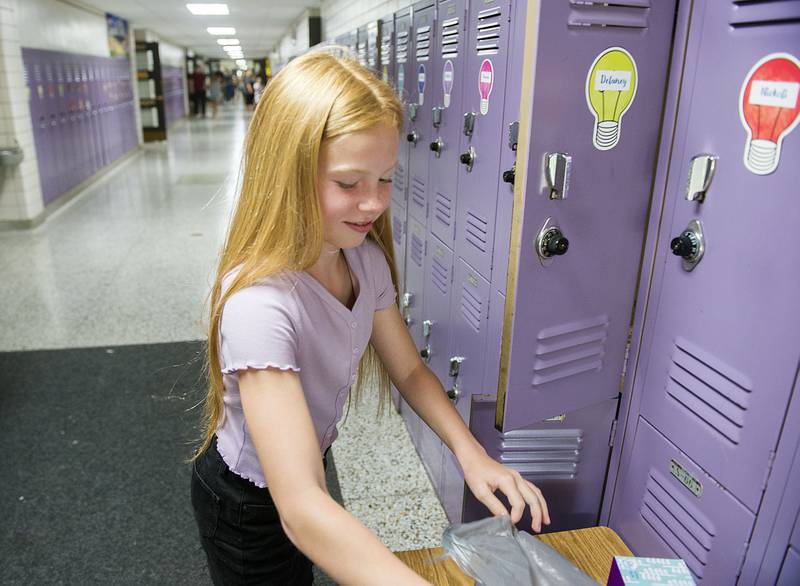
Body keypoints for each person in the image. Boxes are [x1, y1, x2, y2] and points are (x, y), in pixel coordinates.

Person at [190, 51, 550, 585]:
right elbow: (302, 507)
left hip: (303, 469)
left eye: (385, 179)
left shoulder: (364, 260)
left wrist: (472, 455)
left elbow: (408, 372)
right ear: (286, 173)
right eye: (349, 183)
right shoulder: (259, 305)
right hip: (247, 501)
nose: (375, 202)